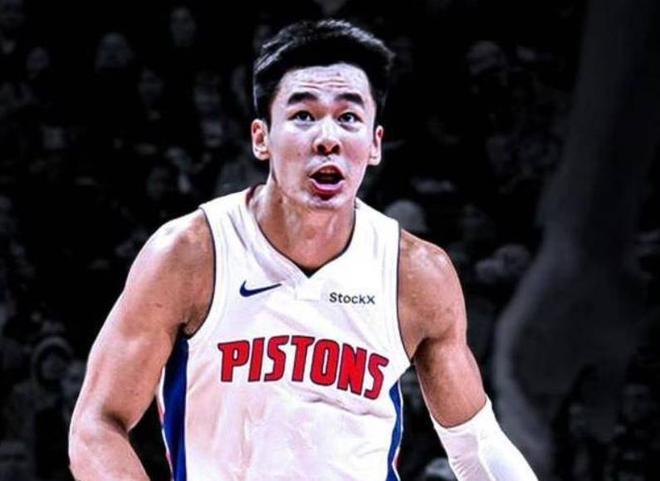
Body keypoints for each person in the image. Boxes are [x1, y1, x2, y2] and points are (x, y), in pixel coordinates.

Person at [69, 19, 537, 481]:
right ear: (261, 138)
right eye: (303, 116)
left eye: (349, 117)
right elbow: (96, 426)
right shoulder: (191, 254)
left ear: (374, 145)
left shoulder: (415, 272)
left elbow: (476, 446)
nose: (328, 139)